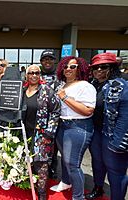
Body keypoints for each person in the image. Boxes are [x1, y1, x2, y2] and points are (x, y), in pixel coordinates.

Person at [50, 56, 97, 200]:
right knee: (64, 158)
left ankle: (78, 196)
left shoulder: (85, 86)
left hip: (78, 127)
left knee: (72, 163)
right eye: (65, 66)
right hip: (62, 125)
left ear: (80, 68)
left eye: (72, 66)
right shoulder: (61, 85)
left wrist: (65, 98)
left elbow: (88, 110)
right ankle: (65, 182)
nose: (68, 69)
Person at [88, 53, 128, 200]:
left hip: (113, 135)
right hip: (96, 132)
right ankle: (98, 188)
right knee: (97, 164)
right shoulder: (92, 85)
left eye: (103, 67)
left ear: (112, 68)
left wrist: (118, 142)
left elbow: (125, 117)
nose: (99, 70)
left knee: (115, 171)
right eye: (95, 67)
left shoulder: (122, 86)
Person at [22, 65, 61, 200]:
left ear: (40, 75)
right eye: (31, 73)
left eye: (36, 73)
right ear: (26, 75)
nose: (33, 75)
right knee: (28, 162)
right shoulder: (22, 90)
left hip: (42, 134)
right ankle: (29, 186)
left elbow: (56, 111)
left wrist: (49, 132)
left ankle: (42, 194)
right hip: (24, 133)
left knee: (41, 164)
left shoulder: (47, 91)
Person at [40, 49, 61, 179]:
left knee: (54, 147)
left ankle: (53, 169)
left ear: (54, 61)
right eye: (45, 59)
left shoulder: (60, 77)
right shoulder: (36, 75)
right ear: (41, 62)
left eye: (50, 59)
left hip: (55, 116)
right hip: (39, 117)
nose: (47, 61)